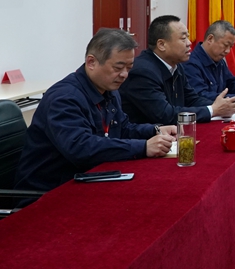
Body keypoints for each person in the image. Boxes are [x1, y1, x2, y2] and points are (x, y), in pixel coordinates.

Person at [14, 29, 176, 193]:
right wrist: (143, 147)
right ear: (91, 62)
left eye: (129, 68)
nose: (124, 75)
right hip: (50, 191)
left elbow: (122, 128)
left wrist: (155, 130)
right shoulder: (64, 98)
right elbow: (81, 148)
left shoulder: (109, 90)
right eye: (118, 67)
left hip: (90, 177)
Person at [119, 15, 235, 125]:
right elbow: (165, 115)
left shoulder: (177, 66)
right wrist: (212, 110)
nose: (189, 43)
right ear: (161, 45)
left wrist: (223, 105)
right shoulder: (143, 72)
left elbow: (192, 99)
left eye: (187, 37)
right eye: (183, 39)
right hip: (146, 138)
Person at [184, 20, 235, 106]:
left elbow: (232, 83)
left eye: (231, 47)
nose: (228, 51)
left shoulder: (219, 60)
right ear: (210, 39)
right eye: (225, 45)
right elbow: (200, 96)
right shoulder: (190, 63)